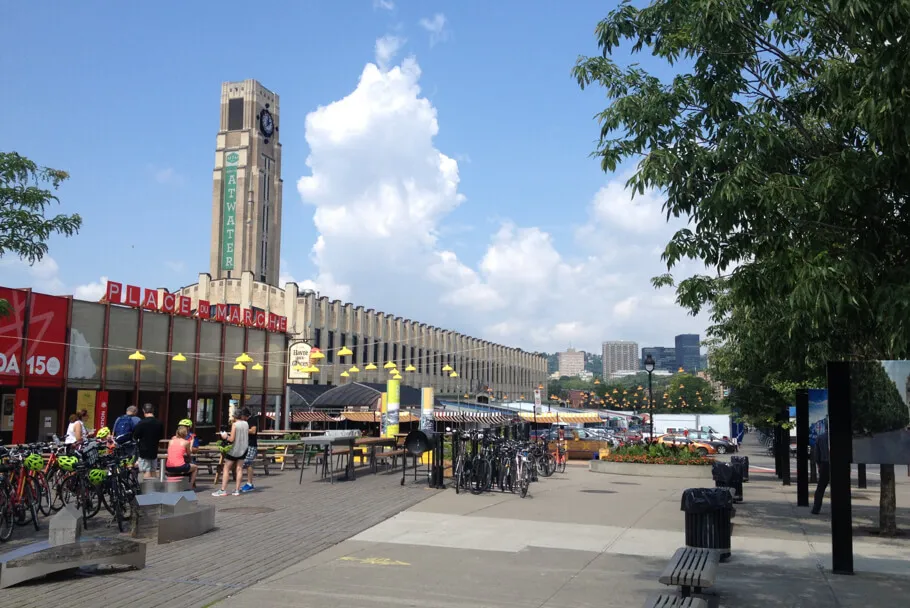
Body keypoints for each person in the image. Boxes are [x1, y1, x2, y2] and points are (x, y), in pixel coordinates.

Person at [212, 410, 249, 497]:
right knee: (239, 469)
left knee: (226, 468)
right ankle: (237, 490)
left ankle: (223, 490)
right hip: (244, 448)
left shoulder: (235, 425)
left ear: (235, 416)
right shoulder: (246, 424)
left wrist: (225, 436)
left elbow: (231, 439)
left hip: (234, 450)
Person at [132, 404, 164, 480]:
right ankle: (153, 489)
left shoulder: (141, 423)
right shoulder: (159, 423)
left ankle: (146, 489)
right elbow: (161, 436)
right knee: (153, 470)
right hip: (154, 450)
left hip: (143, 451)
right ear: (153, 410)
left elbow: (135, 436)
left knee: (146, 471)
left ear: (143, 411)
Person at [812, 426, 830, 514]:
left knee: (820, 488)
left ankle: (816, 508)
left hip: (824, 464)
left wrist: (818, 464)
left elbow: (816, 454)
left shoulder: (820, 437)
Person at [240, 409, 258, 493]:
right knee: (245, 463)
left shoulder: (252, 420)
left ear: (245, 415)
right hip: (245, 444)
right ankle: (248, 483)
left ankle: (250, 483)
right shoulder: (244, 422)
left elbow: (253, 431)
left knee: (248, 463)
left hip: (251, 445)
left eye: (242, 416)